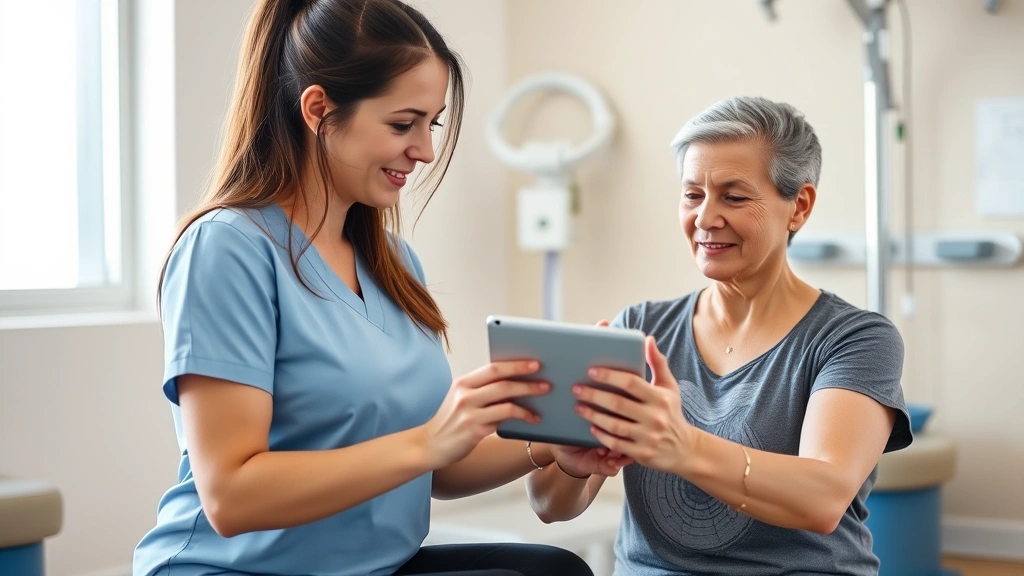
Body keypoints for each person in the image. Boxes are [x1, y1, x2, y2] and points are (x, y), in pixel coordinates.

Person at [132, 1, 622, 575]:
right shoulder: (227, 249)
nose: (425, 149)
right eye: (402, 123)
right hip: (233, 570)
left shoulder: (393, 262)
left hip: (371, 567)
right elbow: (230, 496)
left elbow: (432, 471)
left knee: (551, 571)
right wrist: (432, 440)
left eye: (431, 124)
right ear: (319, 110)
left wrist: (553, 441)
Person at [526, 96, 913, 575]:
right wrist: (573, 462)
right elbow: (550, 506)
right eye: (693, 195)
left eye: (733, 196)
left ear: (799, 207)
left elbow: (824, 495)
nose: (706, 218)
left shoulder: (854, 339)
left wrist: (681, 445)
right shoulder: (639, 330)